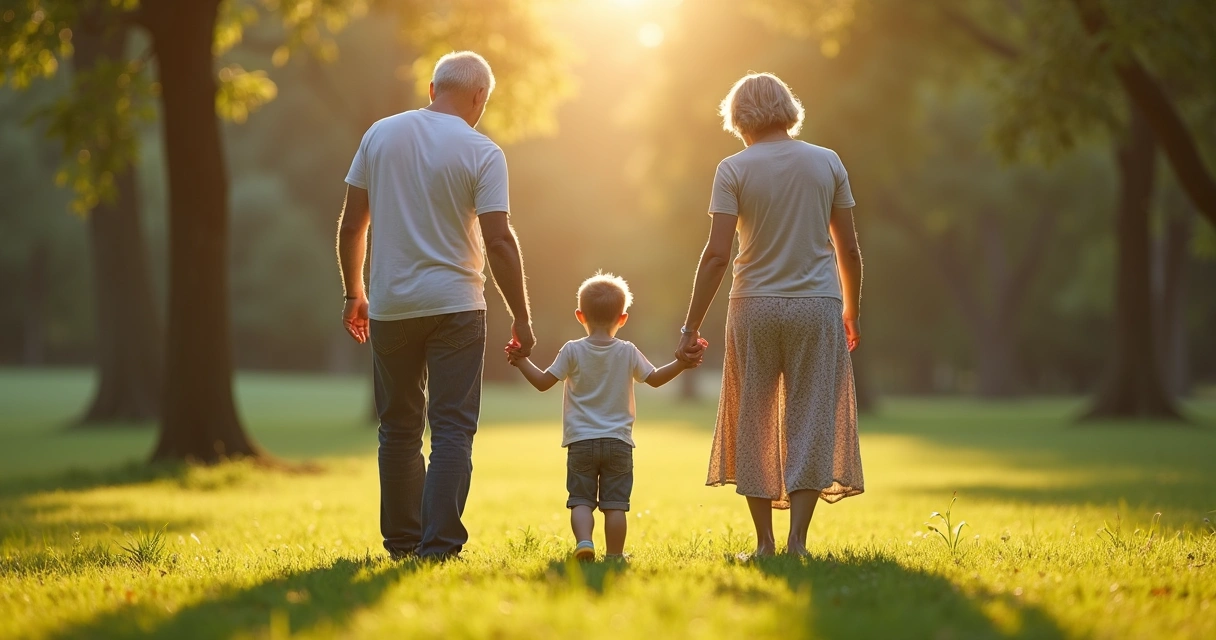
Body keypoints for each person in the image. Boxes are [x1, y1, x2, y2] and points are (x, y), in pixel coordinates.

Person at [336, 51, 535, 561]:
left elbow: (353, 225)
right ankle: (440, 545)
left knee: (398, 429)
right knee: (451, 430)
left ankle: (402, 543)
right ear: (479, 97)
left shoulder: (379, 135)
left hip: (391, 306)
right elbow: (500, 241)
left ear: (432, 89)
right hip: (457, 307)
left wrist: (354, 292)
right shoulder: (483, 152)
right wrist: (521, 316)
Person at [675, 72, 865, 558]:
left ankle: (764, 544)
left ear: (739, 119)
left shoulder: (732, 169)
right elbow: (849, 249)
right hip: (818, 306)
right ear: (788, 111)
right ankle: (798, 542)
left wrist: (691, 325)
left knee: (754, 419)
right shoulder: (827, 161)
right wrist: (851, 309)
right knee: (811, 418)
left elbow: (716, 256)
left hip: (753, 306)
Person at [507, 273, 704, 561]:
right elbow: (655, 379)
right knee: (615, 505)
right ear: (622, 319)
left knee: (581, 501)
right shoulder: (628, 351)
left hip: (581, 442)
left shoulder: (572, 350)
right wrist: (682, 364)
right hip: (618, 442)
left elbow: (542, 382)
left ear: (580, 315)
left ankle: (584, 542)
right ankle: (614, 555)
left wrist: (521, 360)